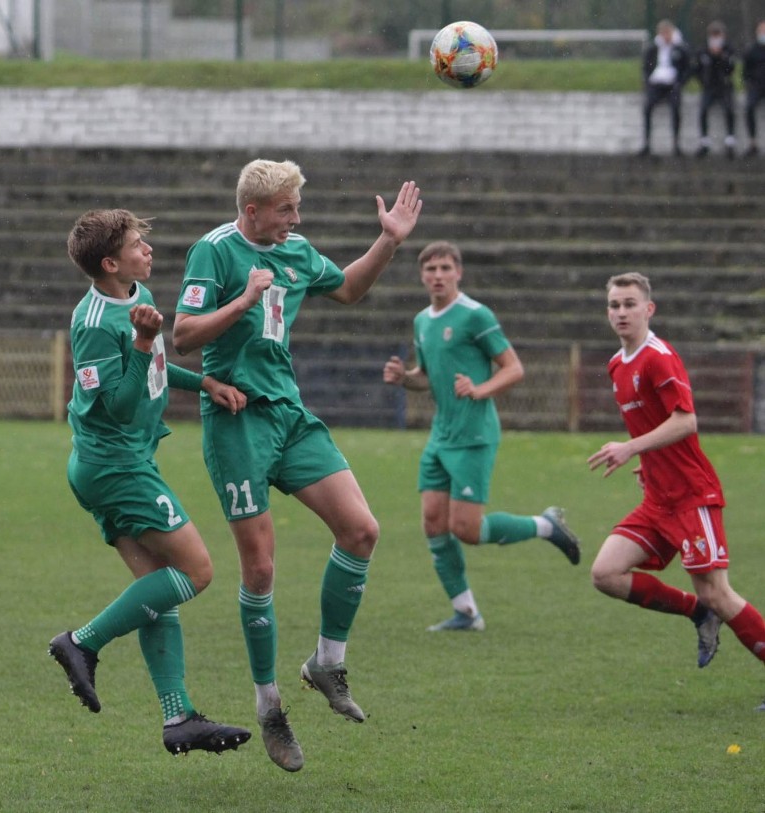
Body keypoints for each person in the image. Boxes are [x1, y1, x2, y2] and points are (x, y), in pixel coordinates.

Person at [171, 159, 422, 772]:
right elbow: (182, 335)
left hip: (290, 414)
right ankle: (268, 705)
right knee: (259, 569)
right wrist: (244, 300)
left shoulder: (298, 249)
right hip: (238, 423)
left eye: (297, 208)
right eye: (287, 209)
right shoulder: (215, 252)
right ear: (253, 210)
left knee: (361, 529)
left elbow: (350, 288)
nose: (297, 218)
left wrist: (388, 240)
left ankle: (327, 663)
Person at [48, 209, 252, 757]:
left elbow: (157, 364)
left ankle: (177, 715)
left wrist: (202, 380)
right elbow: (118, 403)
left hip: (119, 462)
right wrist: (141, 342)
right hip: (114, 466)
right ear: (110, 263)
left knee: (158, 593)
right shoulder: (95, 322)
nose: (149, 250)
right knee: (198, 570)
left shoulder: (132, 299)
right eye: (139, 244)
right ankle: (81, 642)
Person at [382, 241, 581, 632]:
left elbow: (513, 368)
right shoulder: (422, 320)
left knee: (467, 531)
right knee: (433, 522)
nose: (438, 275)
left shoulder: (476, 315)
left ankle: (545, 525)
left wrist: (480, 389)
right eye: (431, 269)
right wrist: (405, 379)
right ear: (422, 276)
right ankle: (467, 613)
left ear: (459, 272)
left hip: (475, 434)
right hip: (441, 435)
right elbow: (426, 376)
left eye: (445, 268)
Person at [588, 272, 765, 710]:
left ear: (649, 309)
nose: (622, 312)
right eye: (614, 305)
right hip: (658, 499)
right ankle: (696, 613)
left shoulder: (658, 357)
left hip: (691, 496)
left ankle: (707, 609)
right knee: (606, 573)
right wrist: (647, 465)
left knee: (717, 591)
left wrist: (631, 449)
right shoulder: (617, 364)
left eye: (630, 304)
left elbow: (686, 421)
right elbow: (655, 427)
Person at [637, 19, 691, 157]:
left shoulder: (680, 48)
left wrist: (679, 82)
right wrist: (648, 82)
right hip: (656, 84)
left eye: (668, 33)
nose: (666, 36)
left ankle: (676, 143)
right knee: (647, 107)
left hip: (673, 85)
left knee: (675, 108)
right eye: (663, 33)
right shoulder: (653, 48)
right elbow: (646, 68)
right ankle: (647, 143)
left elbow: (687, 69)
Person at [692, 20, 738, 158]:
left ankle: (730, 141)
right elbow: (697, 69)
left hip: (724, 86)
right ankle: (704, 142)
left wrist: (720, 56)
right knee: (703, 110)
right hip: (709, 87)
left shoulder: (729, 49)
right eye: (714, 35)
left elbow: (731, 69)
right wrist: (703, 81)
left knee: (729, 109)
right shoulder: (703, 50)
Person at [742, 19, 765, 156]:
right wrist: (750, 83)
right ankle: (752, 142)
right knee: (749, 107)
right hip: (756, 86)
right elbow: (745, 71)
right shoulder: (752, 50)